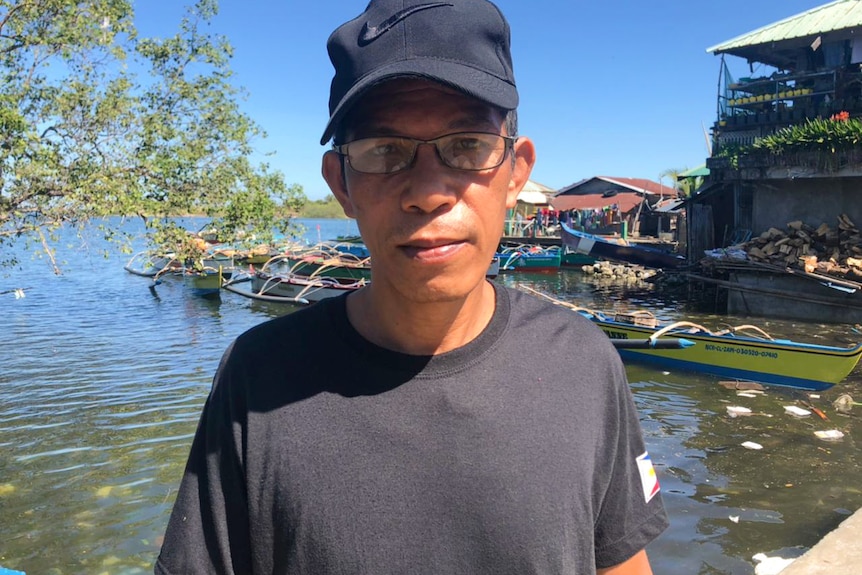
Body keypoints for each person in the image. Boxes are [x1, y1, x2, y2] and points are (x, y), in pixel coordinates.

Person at [154, 1, 668, 573]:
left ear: (516, 173)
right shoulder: (260, 377)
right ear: (341, 184)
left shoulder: (585, 364)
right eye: (385, 152)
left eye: (468, 145)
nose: (427, 192)